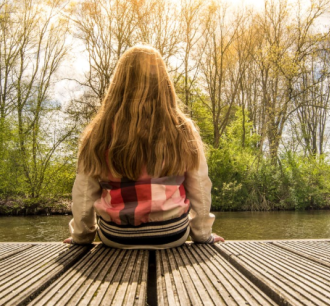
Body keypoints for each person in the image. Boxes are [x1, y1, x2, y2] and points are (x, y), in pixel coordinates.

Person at [63, 44, 224, 248]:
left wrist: (82, 237)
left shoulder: (99, 131)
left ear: (118, 83)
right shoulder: (182, 129)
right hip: (172, 233)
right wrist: (202, 235)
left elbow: (84, 191)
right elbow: (199, 186)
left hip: (115, 236)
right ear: (163, 82)